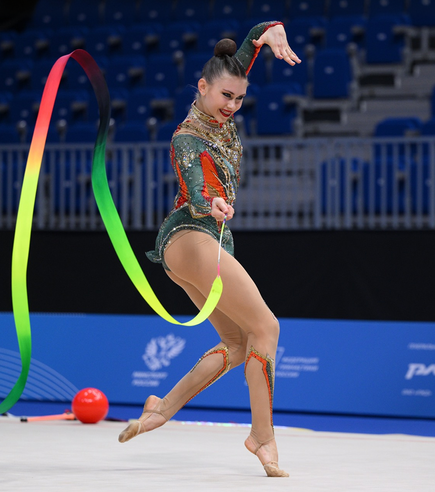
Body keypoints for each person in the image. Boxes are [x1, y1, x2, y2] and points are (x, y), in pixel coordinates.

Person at [117, 21, 301, 478]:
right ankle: (262, 435)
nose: (232, 106)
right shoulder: (188, 137)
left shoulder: (227, 79)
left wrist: (271, 33)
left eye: (239, 98)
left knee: (238, 343)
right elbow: (194, 182)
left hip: (192, 249)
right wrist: (211, 202)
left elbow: (251, 42)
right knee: (267, 327)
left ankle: (163, 407)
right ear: (202, 87)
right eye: (225, 97)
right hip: (193, 234)